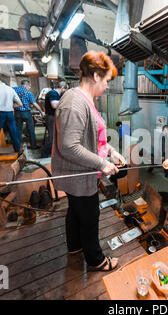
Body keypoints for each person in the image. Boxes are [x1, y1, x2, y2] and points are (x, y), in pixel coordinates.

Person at [51, 51, 126, 271]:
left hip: (81, 173)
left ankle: (74, 246)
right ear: (95, 76)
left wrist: (111, 152)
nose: (108, 86)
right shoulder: (75, 103)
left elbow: (92, 136)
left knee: (75, 211)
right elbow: (69, 146)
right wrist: (102, 164)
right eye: (106, 80)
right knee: (90, 216)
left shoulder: (85, 100)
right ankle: (96, 260)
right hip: (79, 174)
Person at [0, 69, 23, 153]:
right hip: (9, 113)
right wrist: (10, 106)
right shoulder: (9, 88)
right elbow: (20, 104)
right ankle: (18, 153)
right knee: (14, 134)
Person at [13, 80, 45, 150]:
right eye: (29, 86)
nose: (29, 88)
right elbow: (34, 104)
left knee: (18, 130)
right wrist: (41, 112)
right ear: (26, 85)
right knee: (31, 130)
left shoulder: (14, 89)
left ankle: (17, 148)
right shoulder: (29, 93)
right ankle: (33, 146)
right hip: (26, 113)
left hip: (17, 113)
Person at [41, 81, 68, 158]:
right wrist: (66, 101)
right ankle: (44, 154)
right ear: (62, 88)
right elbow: (54, 105)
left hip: (53, 117)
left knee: (55, 136)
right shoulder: (53, 93)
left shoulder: (56, 94)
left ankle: (51, 153)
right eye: (65, 90)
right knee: (52, 137)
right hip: (51, 117)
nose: (65, 92)